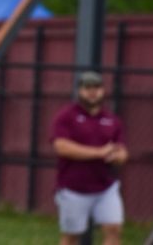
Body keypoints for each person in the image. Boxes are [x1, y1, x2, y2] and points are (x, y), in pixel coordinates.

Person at [51, 71, 128, 245]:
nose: (92, 92)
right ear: (79, 91)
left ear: (103, 90)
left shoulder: (112, 120)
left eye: (96, 87)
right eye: (87, 88)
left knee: (114, 229)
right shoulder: (66, 116)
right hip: (73, 188)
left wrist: (118, 157)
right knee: (72, 237)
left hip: (105, 187)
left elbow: (121, 151)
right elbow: (61, 147)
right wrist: (100, 152)